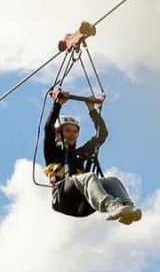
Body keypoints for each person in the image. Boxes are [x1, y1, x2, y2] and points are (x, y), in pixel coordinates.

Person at [43, 91, 142, 225]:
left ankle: (126, 209)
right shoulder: (52, 151)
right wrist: (58, 104)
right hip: (64, 199)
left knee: (112, 181)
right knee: (89, 176)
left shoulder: (80, 153)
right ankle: (112, 206)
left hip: (84, 204)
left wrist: (92, 110)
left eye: (75, 131)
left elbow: (102, 134)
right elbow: (48, 128)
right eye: (67, 130)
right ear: (59, 133)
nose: (72, 134)